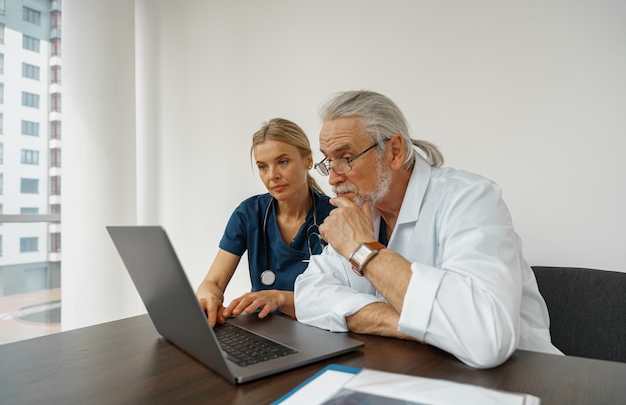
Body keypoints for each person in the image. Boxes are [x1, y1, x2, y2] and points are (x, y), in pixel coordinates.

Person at [294, 90, 562, 369]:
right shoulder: (363, 210)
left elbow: (484, 339)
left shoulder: (470, 198)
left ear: (394, 152)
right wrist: (405, 322)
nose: (334, 178)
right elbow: (308, 294)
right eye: (329, 161)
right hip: (418, 371)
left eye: (346, 158)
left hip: (526, 377)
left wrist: (363, 250)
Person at [196, 118, 333, 327]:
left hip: (320, 331)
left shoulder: (336, 217)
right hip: (264, 331)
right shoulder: (249, 214)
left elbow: (342, 301)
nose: (272, 176)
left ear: (308, 161)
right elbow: (213, 282)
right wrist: (208, 297)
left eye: (283, 162)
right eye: (262, 166)